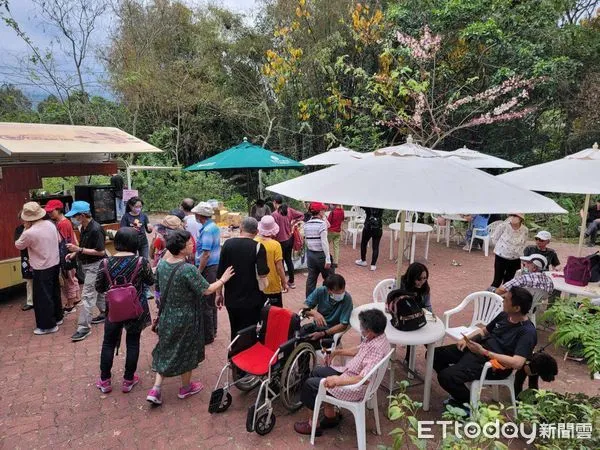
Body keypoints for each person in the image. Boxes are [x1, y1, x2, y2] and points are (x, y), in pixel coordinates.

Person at [146, 230, 234, 405]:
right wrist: (223, 279)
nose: (192, 245)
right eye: (189, 243)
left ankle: (156, 388)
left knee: (166, 348)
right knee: (186, 351)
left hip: (167, 314)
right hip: (185, 317)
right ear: (181, 248)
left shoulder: (163, 264)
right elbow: (207, 289)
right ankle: (186, 388)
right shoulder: (187, 269)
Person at [434, 286, 537, 410]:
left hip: (494, 365)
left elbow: (518, 363)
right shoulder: (505, 315)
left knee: (446, 376)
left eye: (507, 299)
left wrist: (485, 352)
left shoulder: (527, 332)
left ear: (517, 308)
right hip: (479, 350)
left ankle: (470, 405)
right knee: (435, 355)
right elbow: (484, 331)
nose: (503, 299)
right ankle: (458, 388)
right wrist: (467, 339)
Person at [294, 308, 390, 436]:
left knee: (310, 385)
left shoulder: (376, 349)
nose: (361, 329)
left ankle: (313, 426)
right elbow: (358, 350)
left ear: (370, 331)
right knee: (317, 371)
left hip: (355, 387)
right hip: (350, 373)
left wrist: (337, 380)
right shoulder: (377, 337)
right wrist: (336, 352)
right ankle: (330, 417)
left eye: (362, 327)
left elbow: (364, 378)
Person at [94, 227, 154, 394]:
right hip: (136, 308)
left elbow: (99, 287)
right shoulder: (141, 261)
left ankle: (105, 381)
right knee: (133, 342)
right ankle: (128, 380)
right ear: (135, 243)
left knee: (108, 343)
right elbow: (150, 281)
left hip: (113, 309)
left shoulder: (105, 263)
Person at [216, 217, 269, 340]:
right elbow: (262, 273)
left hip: (231, 298)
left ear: (240, 228)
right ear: (256, 232)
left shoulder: (227, 244)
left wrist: (219, 294)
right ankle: (246, 355)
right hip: (252, 298)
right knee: (249, 329)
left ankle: (233, 356)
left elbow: (220, 272)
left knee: (235, 329)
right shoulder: (258, 247)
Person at [14, 202, 63, 335]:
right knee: (54, 291)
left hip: (41, 267)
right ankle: (58, 317)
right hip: (55, 262)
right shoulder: (50, 224)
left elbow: (18, 245)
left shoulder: (29, 233)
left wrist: (25, 228)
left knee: (42, 297)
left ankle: (48, 325)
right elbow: (59, 240)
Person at [65, 201, 107, 342]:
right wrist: (75, 253)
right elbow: (83, 246)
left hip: (96, 265)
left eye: (75, 216)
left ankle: (84, 327)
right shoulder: (83, 227)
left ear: (82, 215)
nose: (74, 219)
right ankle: (105, 312)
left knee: (87, 296)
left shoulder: (96, 229)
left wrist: (79, 250)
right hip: (87, 264)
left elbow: (101, 252)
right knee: (100, 291)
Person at [192, 201, 221, 344]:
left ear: (200, 215)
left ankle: (208, 335)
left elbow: (205, 254)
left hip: (208, 267)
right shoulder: (211, 227)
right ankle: (212, 329)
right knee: (210, 299)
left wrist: (199, 271)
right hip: (213, 266)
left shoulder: (208, 230)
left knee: (206, 300)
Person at [45, 199, 80, 314]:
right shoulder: (66, 221)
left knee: (68, 279)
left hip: (65, 255)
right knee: (73, 277)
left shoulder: (62, 224)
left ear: (59, 210)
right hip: (70, 254)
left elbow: (62, 242)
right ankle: (77, 298)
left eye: (51, 211)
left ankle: (70, 304)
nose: (49, 214)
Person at [301, 274, 352, 346]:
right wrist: (315, 313)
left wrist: (323, 333)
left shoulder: (347, 299)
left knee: (309, 344)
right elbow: (303, 307)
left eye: (343, 290)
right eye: (337, 291)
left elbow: (343, 325)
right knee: (299, 337)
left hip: (332, 332)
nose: (341, 293)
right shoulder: (320, 291)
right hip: (317, 327)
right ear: (328, 290)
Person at [272, 195, 304, 289]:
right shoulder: (289, 210)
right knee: (288, 260)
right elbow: (302, 215)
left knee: (280, 262)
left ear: (274, 202)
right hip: (289, 239)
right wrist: (294, 223)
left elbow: (273, 230)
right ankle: (291, 281)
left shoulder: (274, 214)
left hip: (279, 241)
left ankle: (282, 283)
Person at [490, 213, 528, 289]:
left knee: (509, 281)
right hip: (501, 256)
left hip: (515, 258)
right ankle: (489, 297)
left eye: (515, 216)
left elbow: (523, 243)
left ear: (520, 218)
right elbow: (494, 238)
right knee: (497, 281)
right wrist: (502, 247)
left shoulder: (525, 230)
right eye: (511, 216)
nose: (512, 218)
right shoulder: (503, 226)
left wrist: (522, 257)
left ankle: (504, 299)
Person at [256, 215, 287, 307]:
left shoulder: (254, 242)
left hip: (259, 285)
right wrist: (284, 282)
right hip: (273, 285)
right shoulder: (275, 245)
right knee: (275, 314)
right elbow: (279, 267)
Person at [304, 202, 332, 297]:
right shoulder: (322, 224)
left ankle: (309, 301)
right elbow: (324, 242)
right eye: (323, 210)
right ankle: (328, 298)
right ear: (320, 211)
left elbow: (306, 241)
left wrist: (323, 218)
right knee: (329, 278)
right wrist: (327, 258)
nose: (324, 211)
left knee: (311, 279)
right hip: (321, 255)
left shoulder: (306, 224)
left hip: (311, 254)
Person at [14, 216, 34, 311]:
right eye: (22, 219)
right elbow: (18, 243)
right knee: (29, 280)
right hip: (26, 257)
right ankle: (30, 302)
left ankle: (40, 299)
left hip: (37, 255)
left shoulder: (35, 227)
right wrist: (26, 229)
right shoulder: (19, 229)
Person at [355, 207, 384, 271]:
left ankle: (363, 260)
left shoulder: (368, 204)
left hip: (368, 227)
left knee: (364, 243)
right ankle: (373, 265)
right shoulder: (382, 204)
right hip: (378, 227)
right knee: (375, 247)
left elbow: (361, 205)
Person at [327, 204, 345, 269]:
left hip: (331, 231)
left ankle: (327, 259)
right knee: (336, 247)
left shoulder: (332, 212)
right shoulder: (342, 211)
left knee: (326, 245)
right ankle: (336, 262)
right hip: (338, 231)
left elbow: (328, 222)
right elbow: (342, 220)